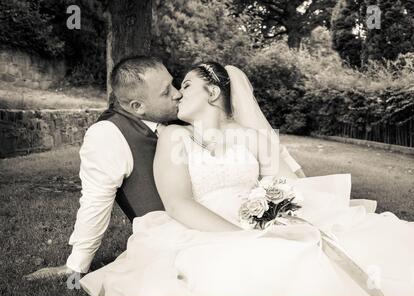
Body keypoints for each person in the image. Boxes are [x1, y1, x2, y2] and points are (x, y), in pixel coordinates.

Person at [79, 62, 414, 296]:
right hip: (205, 224)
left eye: (186, 86)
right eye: (174, 88)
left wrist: (278, 210)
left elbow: (287, 184)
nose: (177, 94)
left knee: (343, 246)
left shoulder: (252, 136)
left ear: (212, 92)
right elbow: (178, 204)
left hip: (259, 213)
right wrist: (244, 235)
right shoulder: (174, 137)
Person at [24, 57, 304, 280]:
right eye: (167, 91)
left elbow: (278, 173)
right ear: (138, 106)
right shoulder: (108, 135)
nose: (177, 95)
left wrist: (277, 203)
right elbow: (95, 201)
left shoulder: (193, 126)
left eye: (178, 84)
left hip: (241, 219)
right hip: (182, 231)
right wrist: (77, 264)